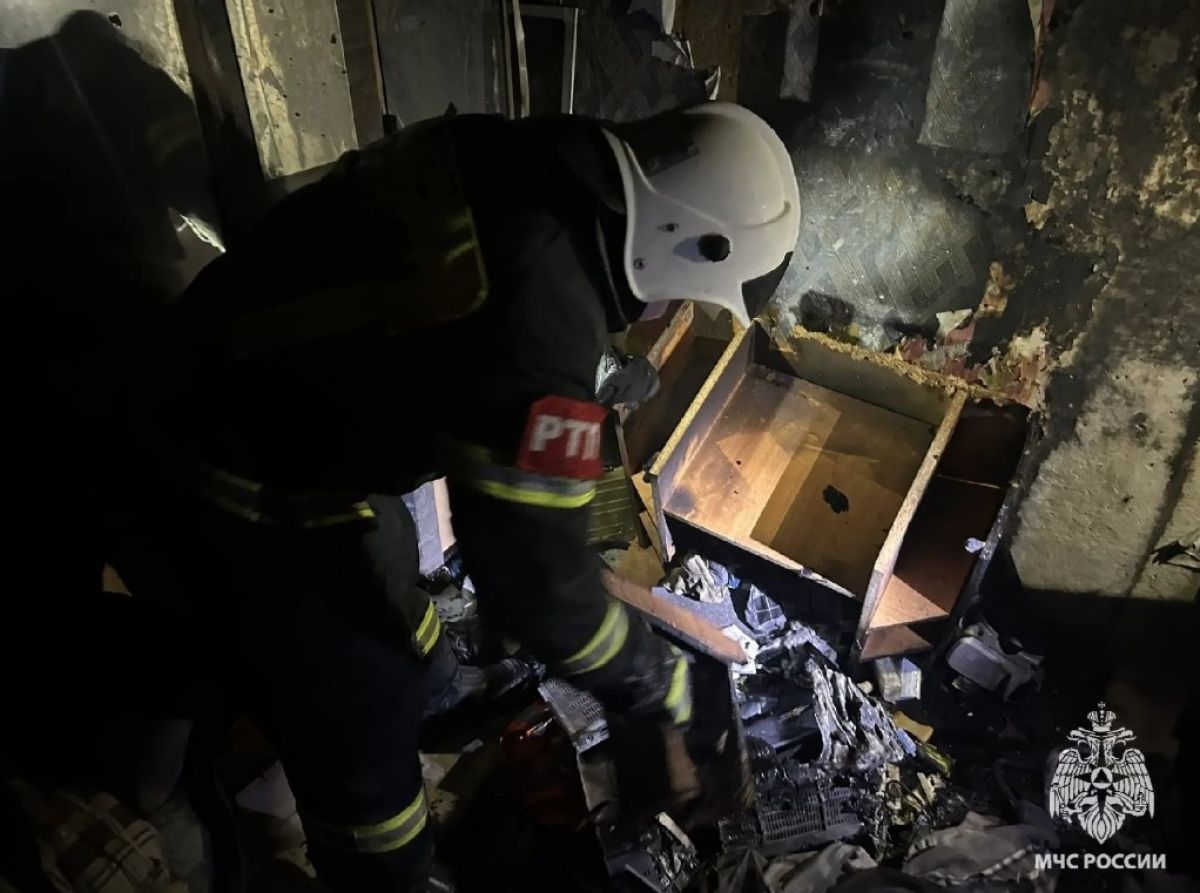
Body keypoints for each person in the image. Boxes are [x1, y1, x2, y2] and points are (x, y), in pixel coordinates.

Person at [113, 101, 800, 891]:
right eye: (688, 293)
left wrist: (588, 372)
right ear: (681, 237)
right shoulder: (540, 320)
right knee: (357, 698)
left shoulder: (529, 155)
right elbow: (539, 588)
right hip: (236, 472)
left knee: (387, 568)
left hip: (237, 386)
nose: (674, 312)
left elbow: (472, 319)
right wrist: (665, 684)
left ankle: (390, 690)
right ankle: (380, 870)